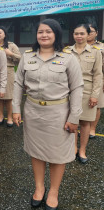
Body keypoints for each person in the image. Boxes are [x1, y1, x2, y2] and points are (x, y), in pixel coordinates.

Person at [13, 19, 83, 210]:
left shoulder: (68, 58)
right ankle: (39, 187)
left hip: (59, 114)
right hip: (33, 112)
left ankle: (53, 191)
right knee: (36, 152)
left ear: (56, 34)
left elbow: (77, 88)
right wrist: (16, 109)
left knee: (57, 155)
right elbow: (18, 83)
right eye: (40, 32)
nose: (44, 35)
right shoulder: (27, 57)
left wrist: (74, 117)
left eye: (48, 32)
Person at [65, 24, 102, 164]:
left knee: (85, 122)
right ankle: (73, 148)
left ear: (88, 35)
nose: (79, 36)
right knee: (72, 120)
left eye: (82, 33)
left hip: (87, 90)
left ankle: (82, 150)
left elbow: (98, 75)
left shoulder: (95, 52)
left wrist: (95, 95)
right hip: (69, 90)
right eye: (76, 33)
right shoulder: (67, 51)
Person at [0, 26, 21, 126]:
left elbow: (20, 59)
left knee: (9, 97)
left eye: (0, 33)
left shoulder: (11, 45)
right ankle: (1, 116)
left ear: (5, 34)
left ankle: (9, 117)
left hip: (9, 71)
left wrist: (11, 54)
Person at [86, 23, 104, 139]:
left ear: (96, 33)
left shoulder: (102, 47)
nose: (88, 34)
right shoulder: (78, 46)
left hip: (98, 79)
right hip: (82, 80)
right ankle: (82, 126)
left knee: (96, 105)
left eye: (90, 31)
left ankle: (92, 128)